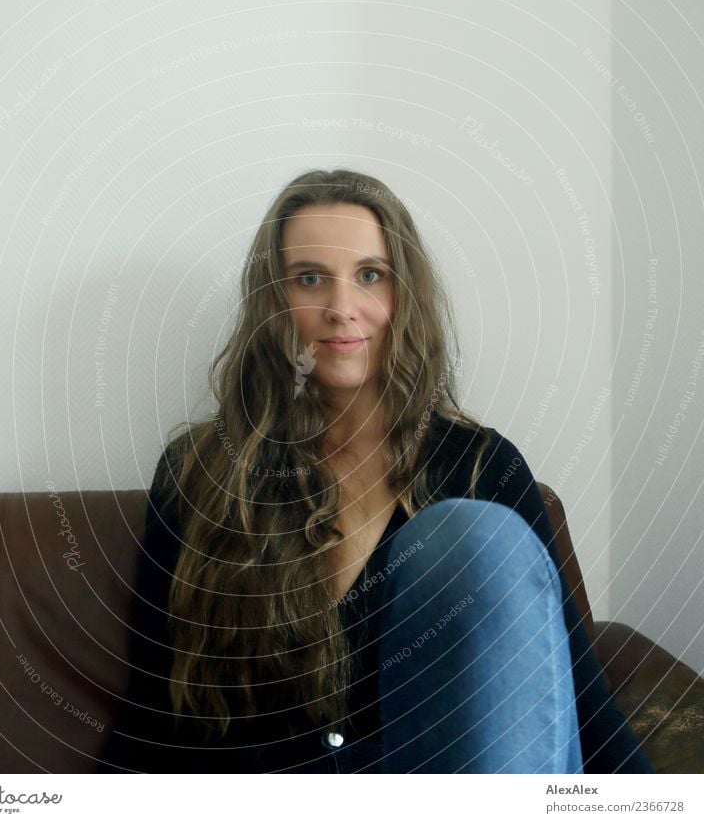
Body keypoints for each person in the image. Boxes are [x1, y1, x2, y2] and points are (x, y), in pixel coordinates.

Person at [98, 168, 653, 774]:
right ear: (274, 303)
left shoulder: (479, 466)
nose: (342, 309)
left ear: (402, 296)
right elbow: (152, 710)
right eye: (310, 278)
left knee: (475, 535)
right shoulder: (197, 471)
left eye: (370, 276)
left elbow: (566, 693)